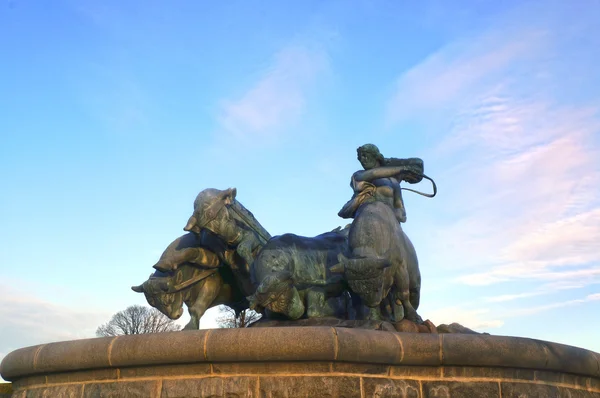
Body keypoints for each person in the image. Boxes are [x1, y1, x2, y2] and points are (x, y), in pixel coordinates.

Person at [338, 143, 424, 223]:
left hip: (388, 220)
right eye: (360, 157)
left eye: (365, 156)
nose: (362, 160)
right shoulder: (358, 174)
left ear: (376, 157)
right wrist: (404, 168)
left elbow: (400, 208)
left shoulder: (393, 182)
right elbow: (373, 173)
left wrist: (399, 213)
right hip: (364, 215)